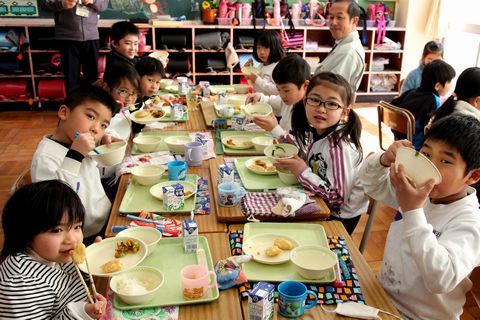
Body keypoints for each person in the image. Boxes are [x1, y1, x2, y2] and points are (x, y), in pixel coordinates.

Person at [358, 114, 480, 319]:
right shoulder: (417, 191)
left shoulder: (470, 222)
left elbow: (441, 279)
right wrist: (384, 160)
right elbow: (371, 184)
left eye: (445, 161)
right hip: (382, 297)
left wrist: (412, 210)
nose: (430, 166)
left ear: (473, 176)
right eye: (426, 154)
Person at [275, 72, 368, 234]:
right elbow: (317, 164)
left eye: (331, 104)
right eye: (315, 100)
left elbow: (337, 198)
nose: (321, 109)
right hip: (321, 203)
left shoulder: (339, 147)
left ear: (345, 112)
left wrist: (301, 171)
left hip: (338, 218)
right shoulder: (318, 131)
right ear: (305, 101)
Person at [0, 180, 106, 319]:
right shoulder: (20, 286)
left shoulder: (55, 254)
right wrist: (81, 313)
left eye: (77, 227)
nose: (73, 239)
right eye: (57, 230)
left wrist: (91, 263)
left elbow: (73, 280)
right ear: (26, 233)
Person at [31, 85, 118, 243]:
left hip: (106, 218)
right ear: (64, 113)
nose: (95, 129)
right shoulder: (46, 157)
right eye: (91, 116)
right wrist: (76, 155)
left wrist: (109, 145)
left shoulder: (79, 143)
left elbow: (97, 173)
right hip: (82, 238)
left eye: (103, 125)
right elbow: (56, 207)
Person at [39, 0, 109, 93]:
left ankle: (91, 105)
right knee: (71, 79)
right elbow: (44, 4)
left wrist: (93, 1)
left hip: (91, 36)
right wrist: (62, 4)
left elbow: (103, 5)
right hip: (67, 38)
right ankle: (73, 105)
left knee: (92, 78)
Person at [390, 59, 455, 150]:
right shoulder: (434, 100)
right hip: (416, 145)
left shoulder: (412, 92)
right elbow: (431, 126)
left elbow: (393, 104)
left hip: (399, 139)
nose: (451, 85)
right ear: (437, 86)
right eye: (449, 82)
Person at [245, 54, 310, 137]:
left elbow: (299, 147)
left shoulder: (310, 113)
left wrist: (275, 129)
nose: (282, 95)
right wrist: (259, 97)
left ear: (305, 86)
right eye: (278, 89)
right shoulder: (290, 100)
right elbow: (274, 101)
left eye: (286, 90)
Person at [314, 0, 365, 92]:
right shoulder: (342, 43)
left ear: (354, 21)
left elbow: (329, 92)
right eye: (331, 17)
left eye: (339, 17)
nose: (333, 22)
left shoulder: (348, 52)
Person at [244, 29, 286, 95]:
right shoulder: (261, 65)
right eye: (259, 48)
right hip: (258, 102)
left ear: (275, 48)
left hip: (271, 104)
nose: (261, 52)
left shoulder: (278, 67)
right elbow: (256, 87)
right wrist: (248, 72)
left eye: (266, 48)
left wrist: (257, 79)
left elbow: (278, 90)